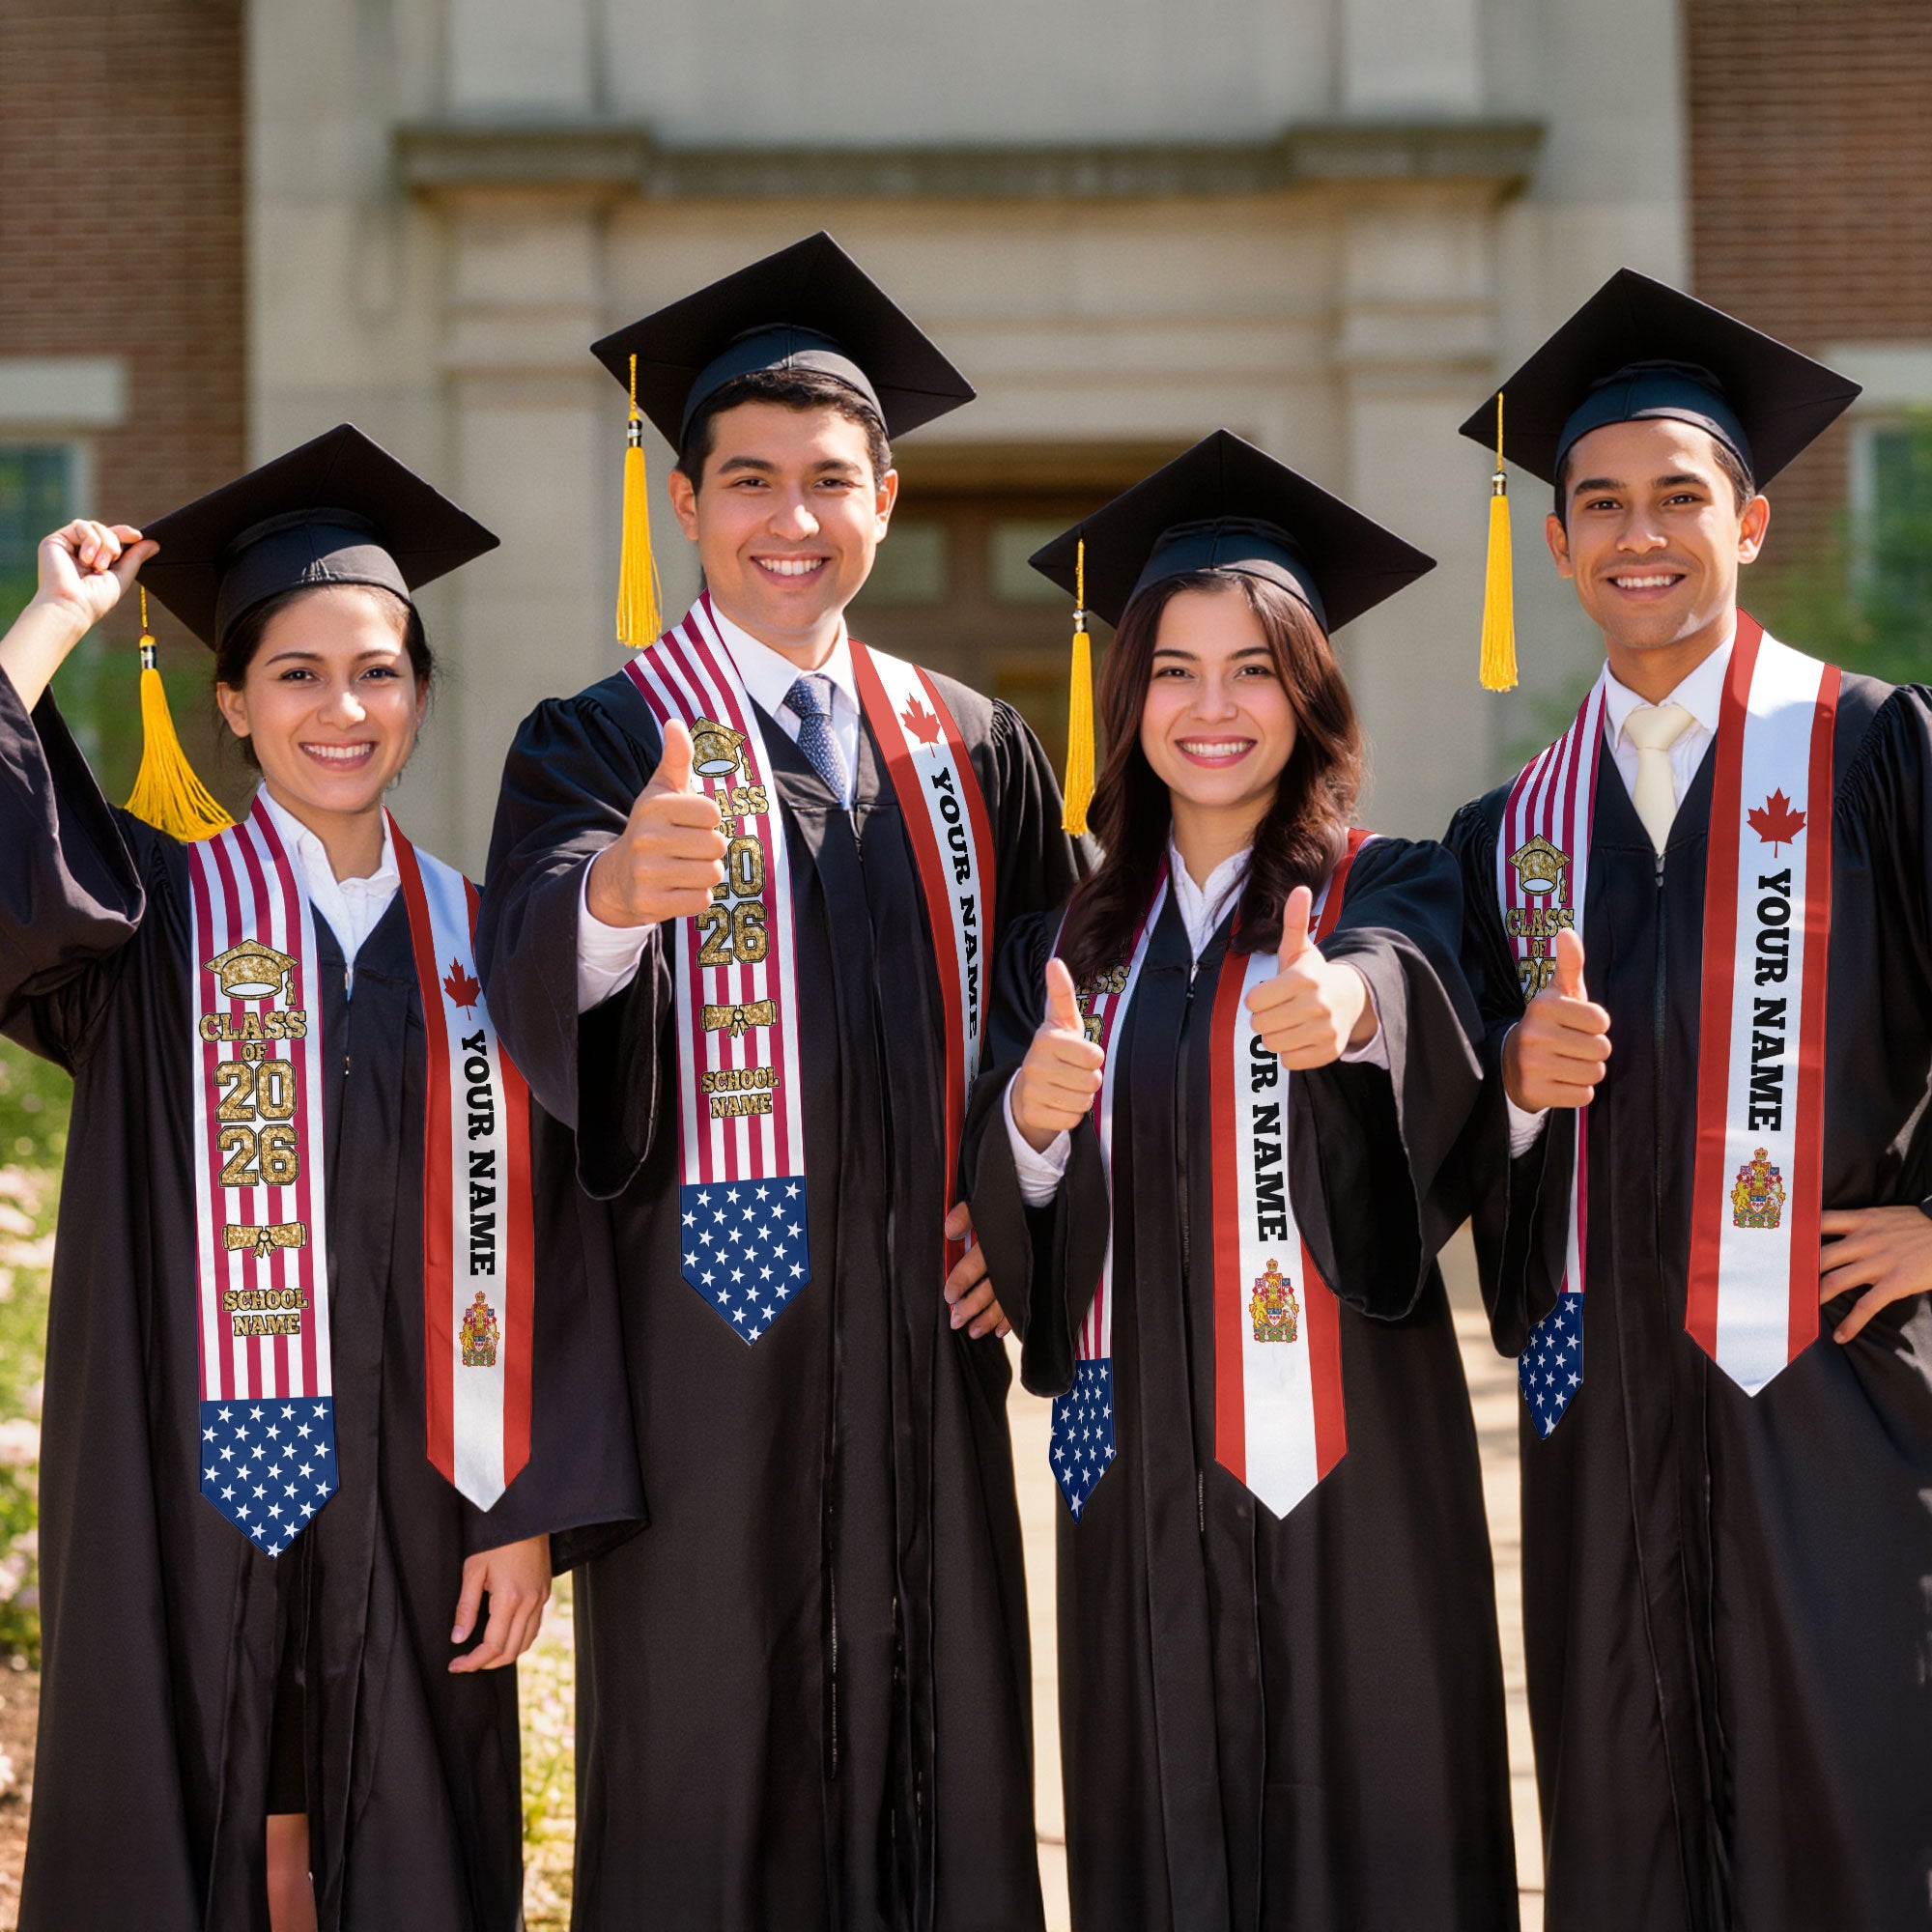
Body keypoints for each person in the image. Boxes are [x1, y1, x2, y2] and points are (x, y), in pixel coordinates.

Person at [477, 233, 1084, 1930]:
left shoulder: (973, 744)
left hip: (922, 1349)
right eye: (749, 481)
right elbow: (528, 968)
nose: (790, 519)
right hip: (705, 1366)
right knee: (708, 1769)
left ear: (886, 497)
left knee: (943, 1752)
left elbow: (1079, 997)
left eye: (831, 481)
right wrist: (610, 900)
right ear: (687, 504)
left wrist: (1025, 1196)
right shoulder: (598, 739)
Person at [0, 425, 642, 1932]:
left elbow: (562, 1239)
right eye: (295, 673)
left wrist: (526, 1505)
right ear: (230, 702)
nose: (340, 708)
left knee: (408, 1830)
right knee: (191, 1803)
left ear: (420, 694)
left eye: (378, 671)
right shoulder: (146, 920)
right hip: (184, 1481)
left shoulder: (496, 946)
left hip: (429, 1495)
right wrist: (50, 625)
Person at [964, 432, 1518, 1930]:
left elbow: (1413, 989)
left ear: (1311, 692)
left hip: (1353, 1470)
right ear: (1127, 696)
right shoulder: (1067, 945)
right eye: (1174, 671)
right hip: (1133, 1465)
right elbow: (1013, 1198)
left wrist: (1347, 1013)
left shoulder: (1388, 885)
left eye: (1256, 668)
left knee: (1378, 1825)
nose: (1214, 709)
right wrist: (1027, 1115)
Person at [1445, 270, 1932, 1931]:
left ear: (1753, 520)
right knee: (1624, 1815)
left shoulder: (1875, 753)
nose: (1637, 534)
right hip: (1603, 1415)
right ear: (1561, 543)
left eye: (1678, 497)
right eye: (1599, 504)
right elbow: (1444, 1134)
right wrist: (1510, 1087)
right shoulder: (1509, 832)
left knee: (1854, 1800)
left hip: (1834, 1389)